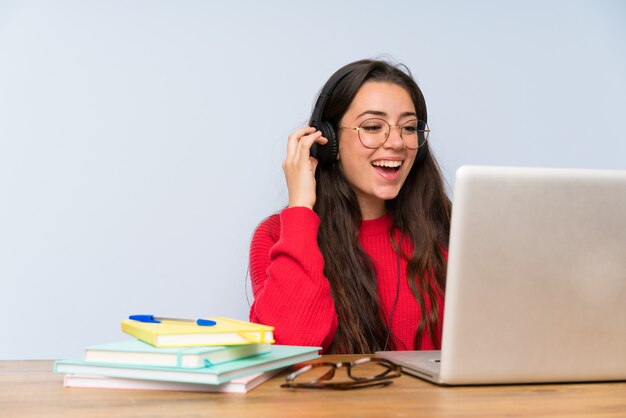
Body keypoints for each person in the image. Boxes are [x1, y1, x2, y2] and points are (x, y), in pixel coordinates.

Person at [249, 59, 451, 354]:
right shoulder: (278, 235)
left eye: (408, 127)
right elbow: (290, 349)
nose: (396, 142)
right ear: (329, 142)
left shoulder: (451, 232)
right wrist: (301, 208)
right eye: (372, 126)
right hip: (332, 401)